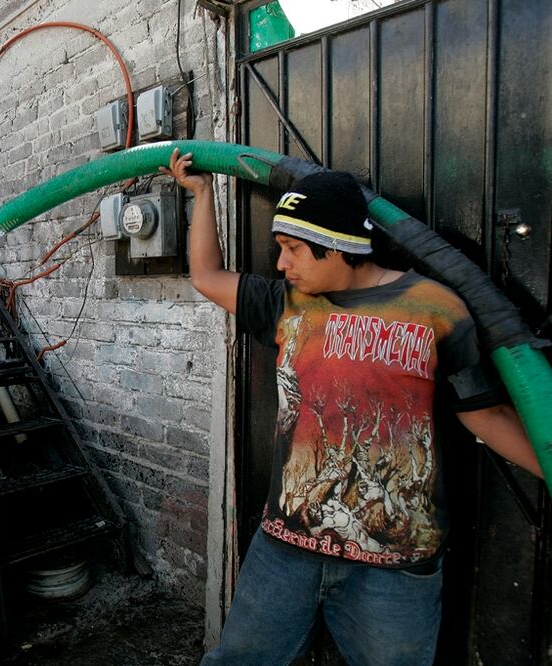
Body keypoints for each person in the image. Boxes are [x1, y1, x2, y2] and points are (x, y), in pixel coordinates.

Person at [160, 149, 543, 665]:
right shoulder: (287, 304)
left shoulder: (436, 310)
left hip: (394, 566)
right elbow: (207, 277)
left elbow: (484, 414)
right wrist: (203, 195)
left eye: (294, 249)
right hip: (285, 550)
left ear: (337, 247)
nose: (280, 263)